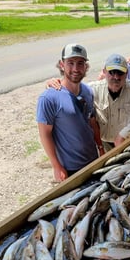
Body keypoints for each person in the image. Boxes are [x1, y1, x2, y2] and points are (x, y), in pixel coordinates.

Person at [36, 43, 103, 182]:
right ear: (62, 64)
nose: (75, 69)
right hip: (70, 168)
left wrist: (100, 148)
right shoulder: (49, 97)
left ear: (86, 66)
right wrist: (56, 166)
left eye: (80, 63)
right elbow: (45, 134)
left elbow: (92, 122)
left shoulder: (88, 91)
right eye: (70, 63)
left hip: (93, 160)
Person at [88, 54, 130, 152]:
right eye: (112, 72)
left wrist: (123, 133)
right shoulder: (92, 90)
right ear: (104, 72)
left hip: (127, 143)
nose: (116, 77)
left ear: (126, 73)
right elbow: (72, 92)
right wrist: (58, 84)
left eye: (120, 73)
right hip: (103, 144)